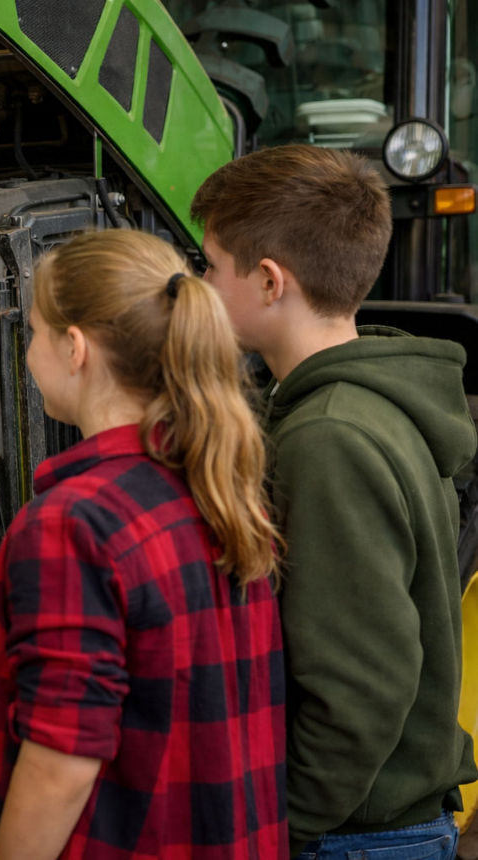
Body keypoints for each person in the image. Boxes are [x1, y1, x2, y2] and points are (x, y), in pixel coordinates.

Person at [191, 143, 477, 859]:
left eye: (209, 267)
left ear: (266, 281)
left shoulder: (329, 439)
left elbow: (360, 685)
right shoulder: (374, 402)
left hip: (355, 837)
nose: (198, 286)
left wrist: (278, 827)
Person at [0, 229, 286, 859]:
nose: (31, 354)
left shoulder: (72, 523)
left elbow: (61, 763)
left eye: (35, 333)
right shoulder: (220, 486)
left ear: (74, 348)